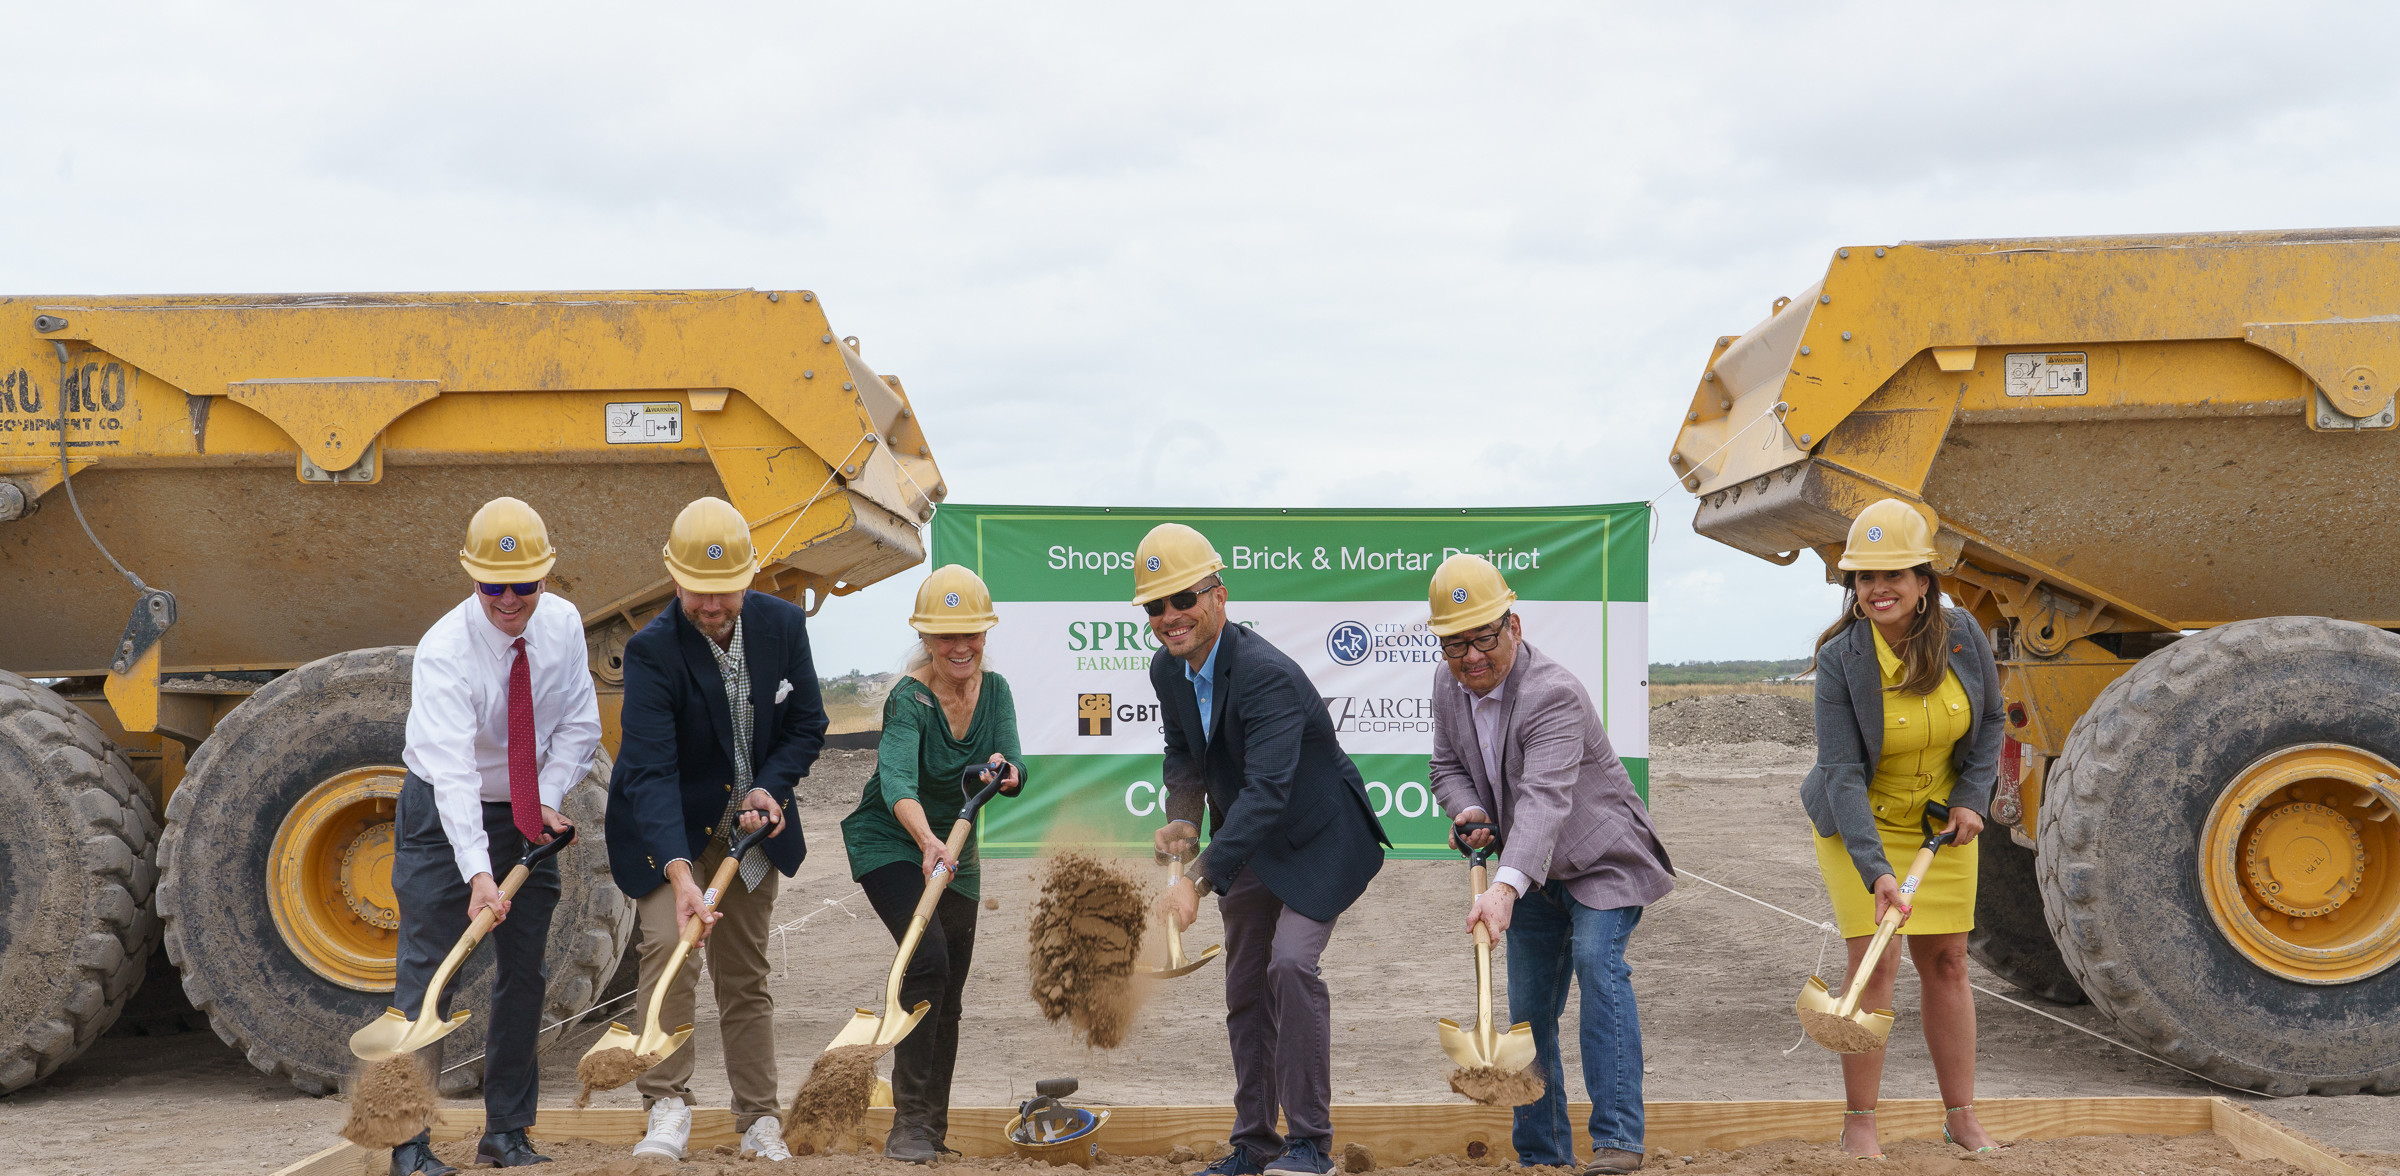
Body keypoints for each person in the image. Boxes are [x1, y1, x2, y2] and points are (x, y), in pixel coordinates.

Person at [1138, 523, 1390, 1176]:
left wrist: (1194, 881)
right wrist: (1182, 819)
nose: (1170, 616)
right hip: (1254, 842)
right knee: (1246, 984)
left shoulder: (1265, 676)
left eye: (1183, 598)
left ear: (1218, 595)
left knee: (1290, 967)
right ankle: (1254, 1145)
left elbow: (1268, 791)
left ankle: (1311, 1145)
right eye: (1155, 606)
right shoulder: (1167, 670)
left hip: (1320, 837)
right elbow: (1181, 755)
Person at [1425, 555, 1673, 1176]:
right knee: (1530, 1013)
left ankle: (1617, 1142)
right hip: (1527, 865)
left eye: (1483, 636)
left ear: (1513, 624)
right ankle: (1542, 1156)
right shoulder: (1445, 685)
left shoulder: (1552, 693)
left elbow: (1545, 800)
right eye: (1456, 643)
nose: (1471, 656)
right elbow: (1445, 768)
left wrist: (1503, 890)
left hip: (1601, 859)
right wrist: (1471, 808)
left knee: (1599, 963)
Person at [609, 497, 827, 1163]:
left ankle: (759, 1120)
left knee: (743, 973)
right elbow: (648, 771)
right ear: (674, 578)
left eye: (725, 591)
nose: (711, 605)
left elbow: (806, 725)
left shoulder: (783, 626)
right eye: (698, 592)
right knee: (669, 952)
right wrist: (681, 875)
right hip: (664, 824)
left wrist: (770, 786)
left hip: (749, 827)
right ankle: (666, 1106)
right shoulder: (650, 652)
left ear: (749, 578)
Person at [389, 497, 600, 1175]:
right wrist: (478, 872)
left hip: (524, 812)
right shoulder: (445, 651)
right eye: (492, 586)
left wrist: (542, 801)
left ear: (547, 576)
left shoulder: (563, 625)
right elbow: (452, 775)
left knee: (526, 974)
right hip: (439, 816)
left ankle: (507, 1132)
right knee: (431, 974)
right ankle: (408, 1145)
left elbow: (578, 725)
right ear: (470, 577)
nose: (509, 600)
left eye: (525, 586)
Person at [1803, 498, 2003, 1158]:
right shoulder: (1842, 660)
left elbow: (1990, 726)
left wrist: (1973, 798)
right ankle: (1860, 1122)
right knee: (1876, 963)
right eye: (1865, 578)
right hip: (1858, 825)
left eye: (1893, 576)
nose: (1878, 590)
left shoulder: (1964, 636)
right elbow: (1839, 772)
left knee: (1947, 963)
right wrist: (1877, 870)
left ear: (1924, 581)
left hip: (1941, 827)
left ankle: (1962, 1116)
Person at [840, 564, 1023, 1164]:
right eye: (946, 636)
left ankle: (932, 1128)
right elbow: (896, 780)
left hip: (956, 852)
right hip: (894, 842)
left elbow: (1014, 767)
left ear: (985, 634)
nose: (960, 646)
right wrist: (925, 841)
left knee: (951, 988)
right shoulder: (910, 698)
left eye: (970, 633)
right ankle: (909, 1126)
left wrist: (1008, 772)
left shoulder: (995, 693)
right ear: (926, 639)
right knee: (928, 962)